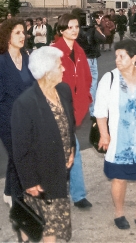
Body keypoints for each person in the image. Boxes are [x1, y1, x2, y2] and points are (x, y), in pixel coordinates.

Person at [94, 39, 136, 230]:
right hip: (119, 140)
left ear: (134, 58)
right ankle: (119, 213)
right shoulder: (110, 79)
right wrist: (104, 135)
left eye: (121, 56)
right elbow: (100, 111)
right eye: (116, 56)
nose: (117, 59)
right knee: (119, 178)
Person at [11, 46, 76, 243]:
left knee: (53, 224)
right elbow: (20, 148)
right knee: (48, 228)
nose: (64, 69)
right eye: (60, 65)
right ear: (47, 72)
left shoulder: (63, 90)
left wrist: (71, 148)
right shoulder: (25, 103)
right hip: (41, 175)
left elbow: (68, 124)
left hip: (60, 171)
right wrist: (29, 181)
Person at [0, 18, 35, 204]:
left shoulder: (28, 58)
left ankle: (8, 192)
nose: (22, 36)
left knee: (16, 156)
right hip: (7, 120)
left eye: (23, 32)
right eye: (17, 32)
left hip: (28, 119)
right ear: (7, 36)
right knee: (19, 157)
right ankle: (18, 201)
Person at [52, 13, 93, 209]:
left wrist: (86, 98)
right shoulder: (53, 52)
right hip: (57, 110)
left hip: (74, 110)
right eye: (69, 27)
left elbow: (86, 78)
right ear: (61, 30)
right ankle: (74, 195)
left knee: (70, 151)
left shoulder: (80, 51)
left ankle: (75, 195)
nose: (74, 30)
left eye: (76, 26)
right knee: (69, 152)